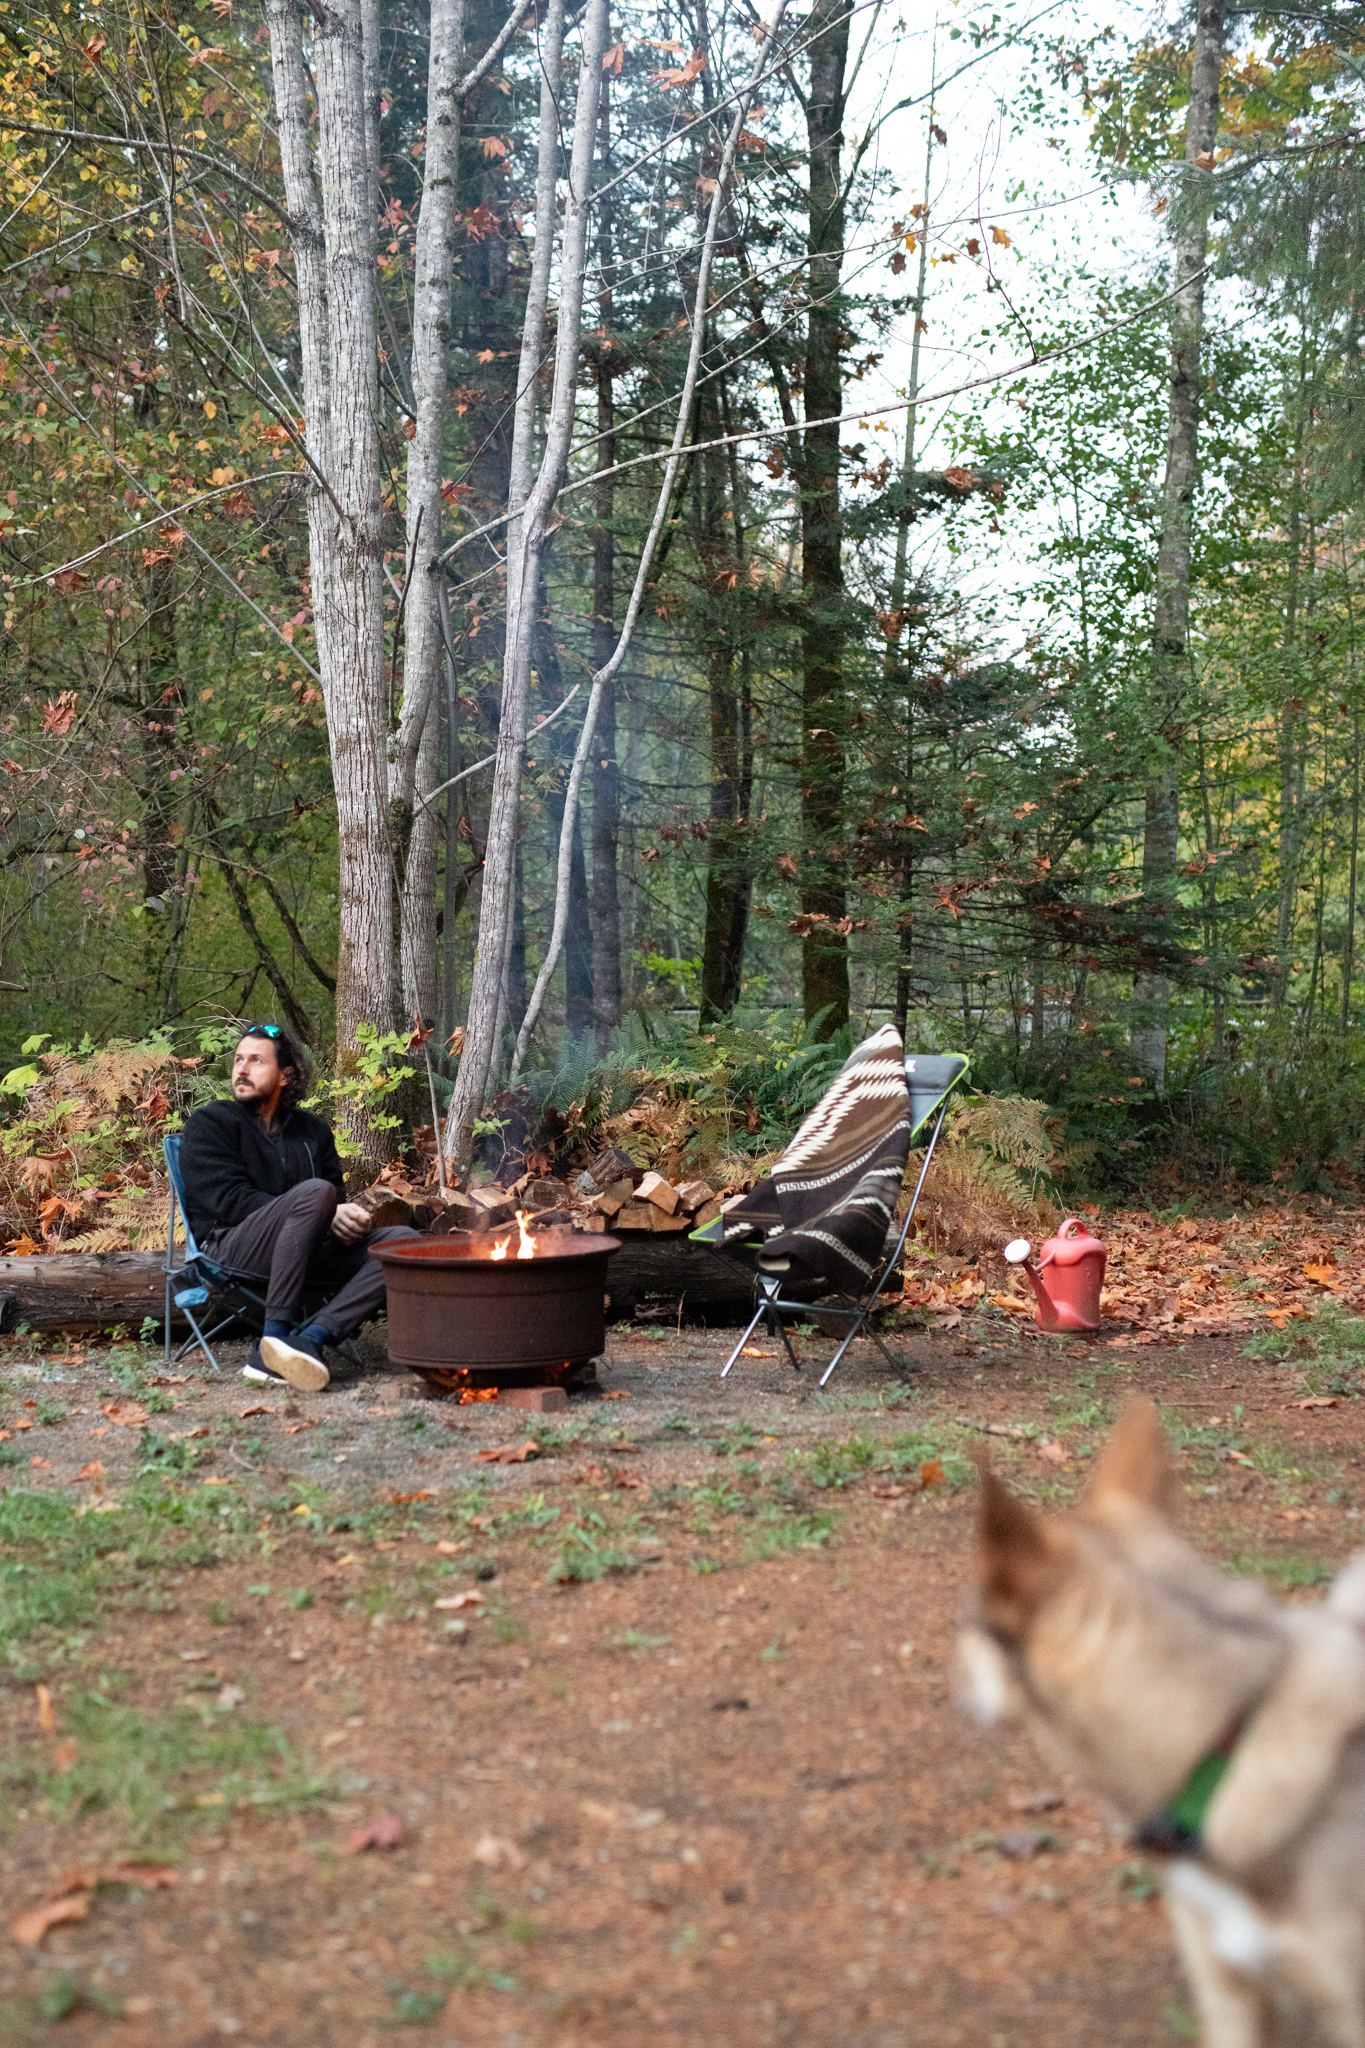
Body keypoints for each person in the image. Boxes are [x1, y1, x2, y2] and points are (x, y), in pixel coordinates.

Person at [177, 1023, 419, 1392]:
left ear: (285, 1076)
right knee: (316, 1193)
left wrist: (344, 1219)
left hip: (308, 1251)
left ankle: (310, 1340)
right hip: (232, 1247)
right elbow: (229, 1202)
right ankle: (272, 1340)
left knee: (402, 1242)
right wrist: (324, 1209)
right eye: (239, 1060)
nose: (242, 1069)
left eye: (256, 1061)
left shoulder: (313, 1132)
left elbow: (333, 1198)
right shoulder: (211, 1123)